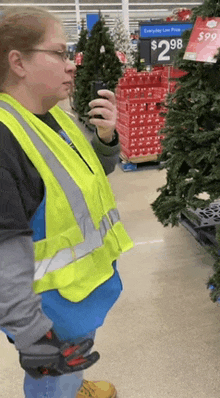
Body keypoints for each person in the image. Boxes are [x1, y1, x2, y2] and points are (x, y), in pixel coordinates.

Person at [0, 6, 133, 398]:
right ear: (18, 62)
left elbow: (78, 183)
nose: (71, 64)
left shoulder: (50, 115)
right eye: (59, 53)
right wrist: (32, 337)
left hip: (78, 295)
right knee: (52, 378)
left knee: (70, 368)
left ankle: (72, 386)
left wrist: (106, 140)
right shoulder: (5, 140)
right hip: (49, 313)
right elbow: (3, 251)